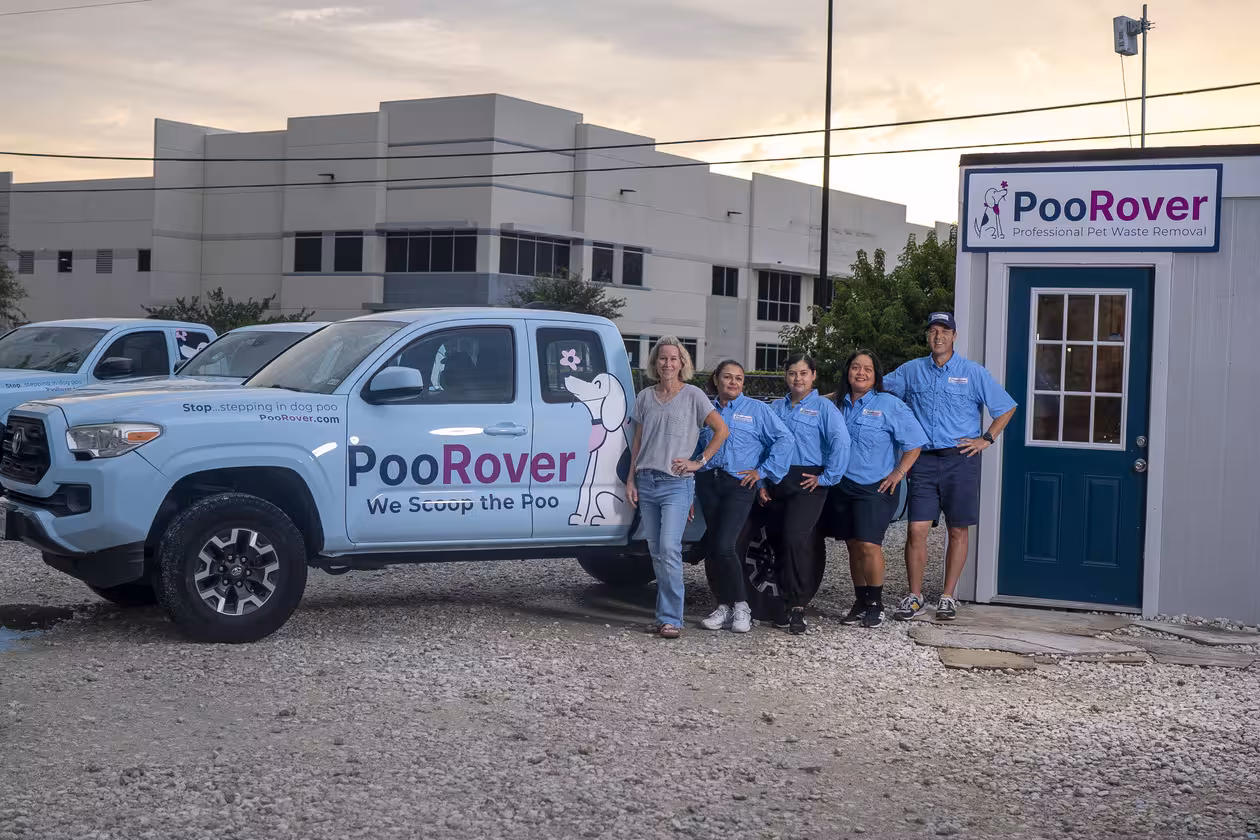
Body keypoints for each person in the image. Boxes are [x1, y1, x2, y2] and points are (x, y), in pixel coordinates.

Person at [882, 312, 1017, 622]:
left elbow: (1006, 406)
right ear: (928, 336)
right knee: (916, 529)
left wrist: (986, 439)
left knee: (957, 529)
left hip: (960, 459)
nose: (938, 336)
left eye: (944, 331)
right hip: (924, 461)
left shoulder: (973, 373)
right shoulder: (911, 371)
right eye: (933, 331)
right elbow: (877, 387)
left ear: (954, 336)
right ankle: (915, 596)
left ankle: (947, 596)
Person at [626, 336, 729, 639]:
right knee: (656, 551)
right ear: (655, 363)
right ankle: (662, 616)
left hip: (676, 484)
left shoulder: (694, 395)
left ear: (682, 363)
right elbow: (638, 441)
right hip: (647, 481)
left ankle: (672, 617)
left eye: (674, 359)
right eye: (662, 358)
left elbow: (722, 430)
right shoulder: (645, 397)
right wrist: (631, 478)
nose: (668, 364)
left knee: (670, 548)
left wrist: (700, 461)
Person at [694, 360, 795, 634]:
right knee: (715, 548)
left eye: (738, 378)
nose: (734, 382)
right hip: (707, 483)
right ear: (716, 380)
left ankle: (742, 607)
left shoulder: (757, 410)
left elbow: (785, 440)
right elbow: (693, 447)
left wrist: (763, 472)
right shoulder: (703, 409)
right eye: (727, 377)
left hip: (738, 485)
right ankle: (723, 606)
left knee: (726, 545)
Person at [829, 349, 927, 628]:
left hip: (876, 487)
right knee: (852, 546)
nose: (860, 373)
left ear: (876, 376)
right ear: (848, 372)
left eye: (867, 369)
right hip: (843, 485)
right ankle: (860, 601)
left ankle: (876, 604)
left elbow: (915, 443)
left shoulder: (888, 404)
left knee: (869, 545)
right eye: (856, 367)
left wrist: (899, 473)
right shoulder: (837, 404)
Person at [764, 354, 850, 635]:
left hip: (807, 481)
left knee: (794, 539)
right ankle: (780, 603)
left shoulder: (823, 407)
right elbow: (760, 443)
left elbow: (840, 441)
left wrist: (828, 477)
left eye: (803, 373)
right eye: (792, 373)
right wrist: (760, 481)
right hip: (776, 480)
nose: (797, 378)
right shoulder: (775, 408)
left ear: (813, 375)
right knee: (775, 543)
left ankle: (798, 606)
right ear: (785, 377)